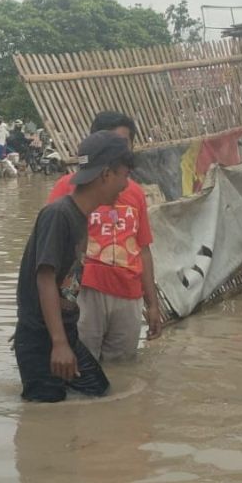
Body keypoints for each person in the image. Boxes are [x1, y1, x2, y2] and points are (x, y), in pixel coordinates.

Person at [14, 131, 133, 402]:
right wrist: (57, 344)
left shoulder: (79, 216)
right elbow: (45, 278)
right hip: (42, 339)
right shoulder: (58, 215)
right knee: (46, 417)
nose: (126, 185)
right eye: (124, 175)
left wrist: (64, 340)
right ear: (106, 174)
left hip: (63, 334)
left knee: (98, 392)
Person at [48, 112, 164, 361]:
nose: (117, 151)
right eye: (111, 143)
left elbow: (143, 249)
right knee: (81, 365)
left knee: (122, 370)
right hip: (85, 292)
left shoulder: (135, 193)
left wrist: (152, 304)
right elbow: (47, 253)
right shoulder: (68, 188)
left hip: (128, 293)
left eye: (123, 144)